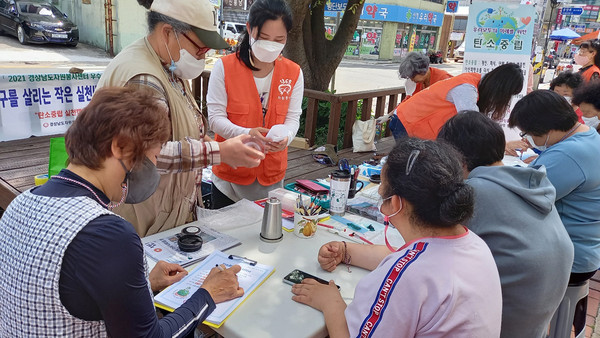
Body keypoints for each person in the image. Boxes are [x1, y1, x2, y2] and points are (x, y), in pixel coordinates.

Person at [0, 87, 244, 336]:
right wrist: (208, 294)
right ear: (121, 147)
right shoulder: (106, 233)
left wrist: (143, 285)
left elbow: (61, 295)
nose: (152, 169)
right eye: (153, 157)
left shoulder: (21, 203)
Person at [291, 138, 502, 337]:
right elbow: (403, 257)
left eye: (382, 196)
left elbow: (406, 269)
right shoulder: (474, 244)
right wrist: (347, 251)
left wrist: (331, 303)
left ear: (396, 204)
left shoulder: (410, 276)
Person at [98, 0, 265, 236]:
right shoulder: (144, 79)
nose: (203, 55)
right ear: (168, 32)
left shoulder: (167, 64)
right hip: (144, 221)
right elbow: (147, 154)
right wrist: (220, 152)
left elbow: (183, 130)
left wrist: (219, 146)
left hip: (165, 213)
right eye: (200, 48)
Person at [438, 111, 574, 338]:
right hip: (538, 320)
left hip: (502, 324)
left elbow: (424, 249)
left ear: (457, 159)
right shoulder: (529, 179)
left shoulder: (474, 192)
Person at [509, 89, 600, 335]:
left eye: (529, 133)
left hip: (570, 255)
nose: (529, 140)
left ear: (547, 128)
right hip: (587, 246)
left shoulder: (569, 154)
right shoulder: (587, 136)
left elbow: (524, 199)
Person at [207, 0, 303, 208]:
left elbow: (293, 118)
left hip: (272, 178)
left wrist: (286, 137)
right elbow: (215, 119)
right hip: (230, 179)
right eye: (264, 37)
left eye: (279, 39)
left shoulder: (294, 72)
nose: (271, 45)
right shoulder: (224, 68)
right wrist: (247, 132)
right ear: (250, 29)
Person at [394, 63, 523, 140]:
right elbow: (473, 125)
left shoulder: (475, 83)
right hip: (407, 122)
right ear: (501, 88)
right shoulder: (466, 89)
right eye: (507, 94)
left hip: (418, 124)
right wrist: (501, 146)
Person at [379, 51, 453, 139]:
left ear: (423, 71)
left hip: (442, 122)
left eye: (412, 77)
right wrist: (388, 115)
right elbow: (407, 102)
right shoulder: (419, 81)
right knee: (395, 122)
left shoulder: (444, 80)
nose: (411, 80)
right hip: (426, 118)